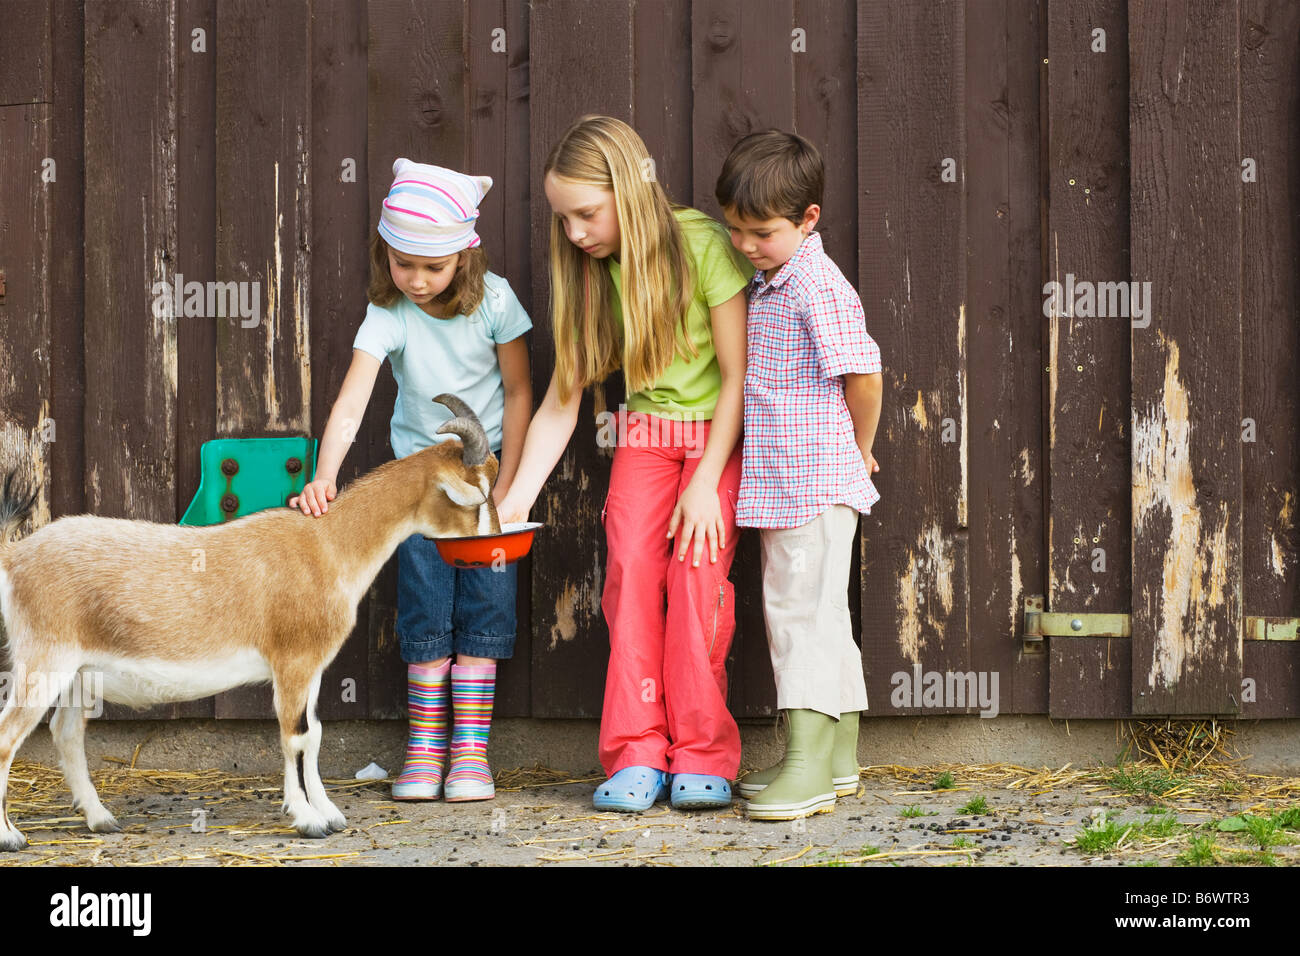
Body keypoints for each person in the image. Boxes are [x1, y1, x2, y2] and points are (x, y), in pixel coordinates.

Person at [496, 115, 752, 812]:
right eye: (564, 219)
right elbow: (560, 401)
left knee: (697, 580)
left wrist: (705, 483)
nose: (575, 233)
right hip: (643, 437)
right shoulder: (589, 271)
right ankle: (637, 751)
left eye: (586, 213)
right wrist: (513, 500)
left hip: (711, 441)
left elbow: (738, 376)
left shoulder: (704, 245)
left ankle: (703, 751)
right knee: (631, 577)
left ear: (629, 192)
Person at [290, 158, 532, 803]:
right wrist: (325, 477)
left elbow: (518, 390)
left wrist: (507, 488)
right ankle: (424, 754)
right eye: (403, 264)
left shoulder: (496, 302)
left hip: (484, 487)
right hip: (417, 495)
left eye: (433, 267)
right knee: (426, 610)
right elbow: (353, 401)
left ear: (464, 258)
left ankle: (470, 756)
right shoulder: (389, 313)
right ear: (385, 254)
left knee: (486, 610)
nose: (417, 280)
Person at [714, 130, 884, 821]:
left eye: (762, 233)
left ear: (808, 219)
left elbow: (865, 377)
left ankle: (807, 767)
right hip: (794, 477)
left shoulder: (816, 284)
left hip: (811, 479)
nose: (747, 245)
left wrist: (861, 448)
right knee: (824, 616)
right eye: (735, 231)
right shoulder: (776, 278)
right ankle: (839, 760)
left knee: (797, 618)